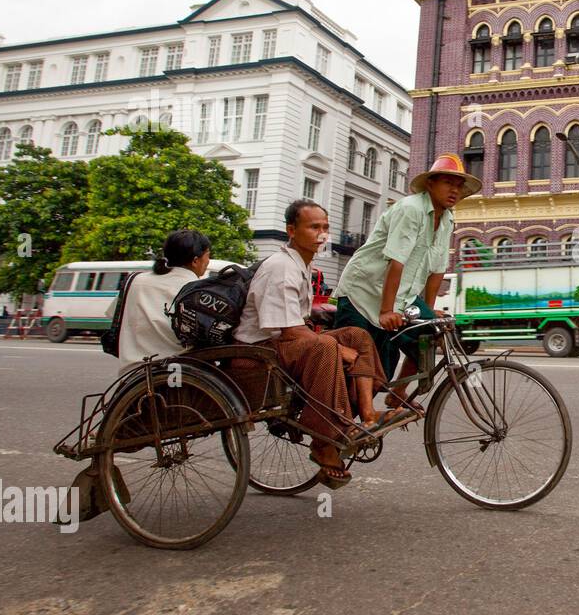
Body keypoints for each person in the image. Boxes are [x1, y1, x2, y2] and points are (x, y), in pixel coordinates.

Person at [235, 199, 395, 487]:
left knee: (355, 335)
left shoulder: (302, 264)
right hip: (260, 350)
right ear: (291, 231)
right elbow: (288, 330)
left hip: (284, 342)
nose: (321, 234)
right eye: (314, 227)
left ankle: (368, 414)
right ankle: (324, 440)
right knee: (327, 347)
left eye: (325, 227)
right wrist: (336, 348)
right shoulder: (281, 267)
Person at [333, 153, 479, 412]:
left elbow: (436, 268)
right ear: (431, 184)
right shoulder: (411, 209)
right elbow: (396, 261)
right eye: (448, 182)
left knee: (428, 334)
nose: (454, 190)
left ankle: (397, 394)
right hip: (364, 292)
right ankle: (334, 430)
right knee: (360, 370)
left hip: (401, 297)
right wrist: (387, 310)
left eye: (459, 186)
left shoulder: (446, 218)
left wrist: (429, 309)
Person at [116, 229, 213, 372]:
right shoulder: (200, 290)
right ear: (195, 260)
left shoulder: (135, 280)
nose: (208, 261)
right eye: (208, 255)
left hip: (133, 373)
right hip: (181, 372)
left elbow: (115, 318)